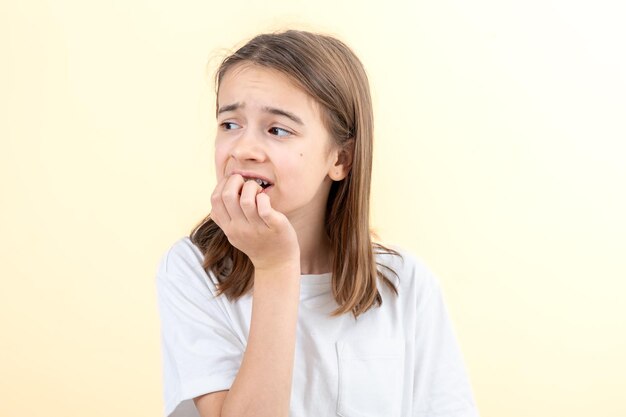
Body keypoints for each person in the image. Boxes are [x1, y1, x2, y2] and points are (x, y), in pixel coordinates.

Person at [155, 29, 479, 417]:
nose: (242, 149)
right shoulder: (193, 270)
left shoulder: (407, 286)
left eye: (277, 130)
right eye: (230, 124)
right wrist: (275, 267)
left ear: (340, 159)